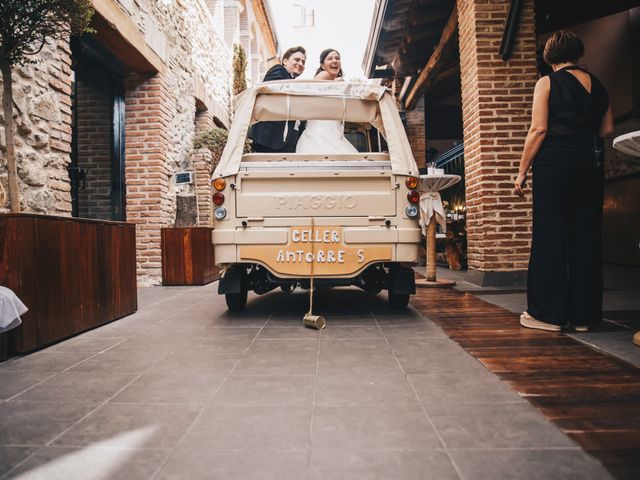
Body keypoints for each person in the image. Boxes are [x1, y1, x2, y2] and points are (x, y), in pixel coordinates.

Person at [514, 30, 614, 332]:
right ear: (578, 52)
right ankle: (584, 316)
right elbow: (607, 128)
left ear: (549, 56)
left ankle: (546, 315)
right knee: (586, 238)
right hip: (590, 165)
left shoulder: (546, 83)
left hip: (555, 165)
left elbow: (538, 130)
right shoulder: (599, 85)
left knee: (550, 236)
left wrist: (521, 172)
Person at [295, 48, 358, 155]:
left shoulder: (334, 80)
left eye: (337, 58)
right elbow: (309, 94)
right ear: (322, 65)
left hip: (334, 131)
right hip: (319, 133)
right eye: (330, 58)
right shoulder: (324, 75)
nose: (334, 60)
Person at [249, 46, 306, 153]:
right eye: (297, 60)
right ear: (285, 61)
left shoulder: (292, 80)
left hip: (287, 140)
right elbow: (276, 89)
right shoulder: (278, 70)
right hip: (270, 138)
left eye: (303, 62)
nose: (301, 63)